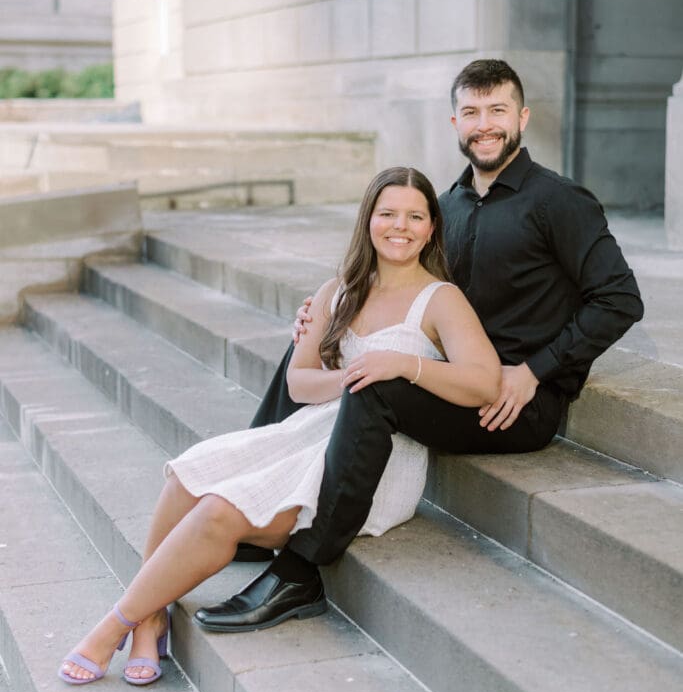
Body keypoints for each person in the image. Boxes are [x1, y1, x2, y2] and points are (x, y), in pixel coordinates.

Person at [196, 58, 644, 634]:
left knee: (377, 382)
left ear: (522, 117)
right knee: (313, 353)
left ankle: (301, 569)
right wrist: (327, 316)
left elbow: (620, 299)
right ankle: (255, 502)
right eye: (472, 112)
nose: (485, 124)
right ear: (454, 121)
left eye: (498, 110)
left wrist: (537, 369)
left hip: (509, 403)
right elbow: (394, 282)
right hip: (446, 372)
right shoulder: (447, 207)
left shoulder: (559, 201)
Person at [59, 167, 501, 684]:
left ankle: (113, 625)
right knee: (186, 475)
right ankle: (151, 616)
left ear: (431, 229)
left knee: (220, 511)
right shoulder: (338, 290)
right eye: (387, 214)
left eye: (414, 216)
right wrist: (357, 377)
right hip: (312, 430)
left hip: (373, 462)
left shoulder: (439, 299)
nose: (399, 226)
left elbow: (484, 383)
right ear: (368, 221)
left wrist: (403, 366)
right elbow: (299, 382)